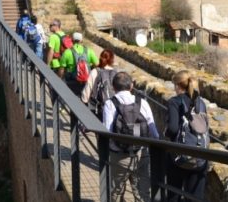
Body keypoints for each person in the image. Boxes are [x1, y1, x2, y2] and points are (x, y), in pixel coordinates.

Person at [103, 71, 159, 202]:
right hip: (141, 153)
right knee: (142, 192)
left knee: (116, 191)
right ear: (131, 86)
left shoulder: (110, 104)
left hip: (119, 154)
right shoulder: (142, 102)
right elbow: (154, 132)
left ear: (113, 87)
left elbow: (107, 131)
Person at [164, 70, 208, 202]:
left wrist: (165, 133)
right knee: (195, 197)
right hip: (200, 156)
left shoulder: (174, 102)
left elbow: (172, 129)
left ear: (178, 85)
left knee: (174, 193)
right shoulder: (201, 103)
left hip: (179, 157)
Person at [58, 32, 99, 96]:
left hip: (71, 81)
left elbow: (61, 69)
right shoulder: (89, 51)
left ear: (72, 40)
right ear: (81, 40)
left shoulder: (67, 52)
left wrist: (59, 79)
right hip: (86, 81)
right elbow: (97, 64)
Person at [82, 49, 118, 119]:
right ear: (112, 60)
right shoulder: (116, 73)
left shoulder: (95, 72)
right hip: (113, 108)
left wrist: (84, 101)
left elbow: (87, 89)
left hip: (97, 109)